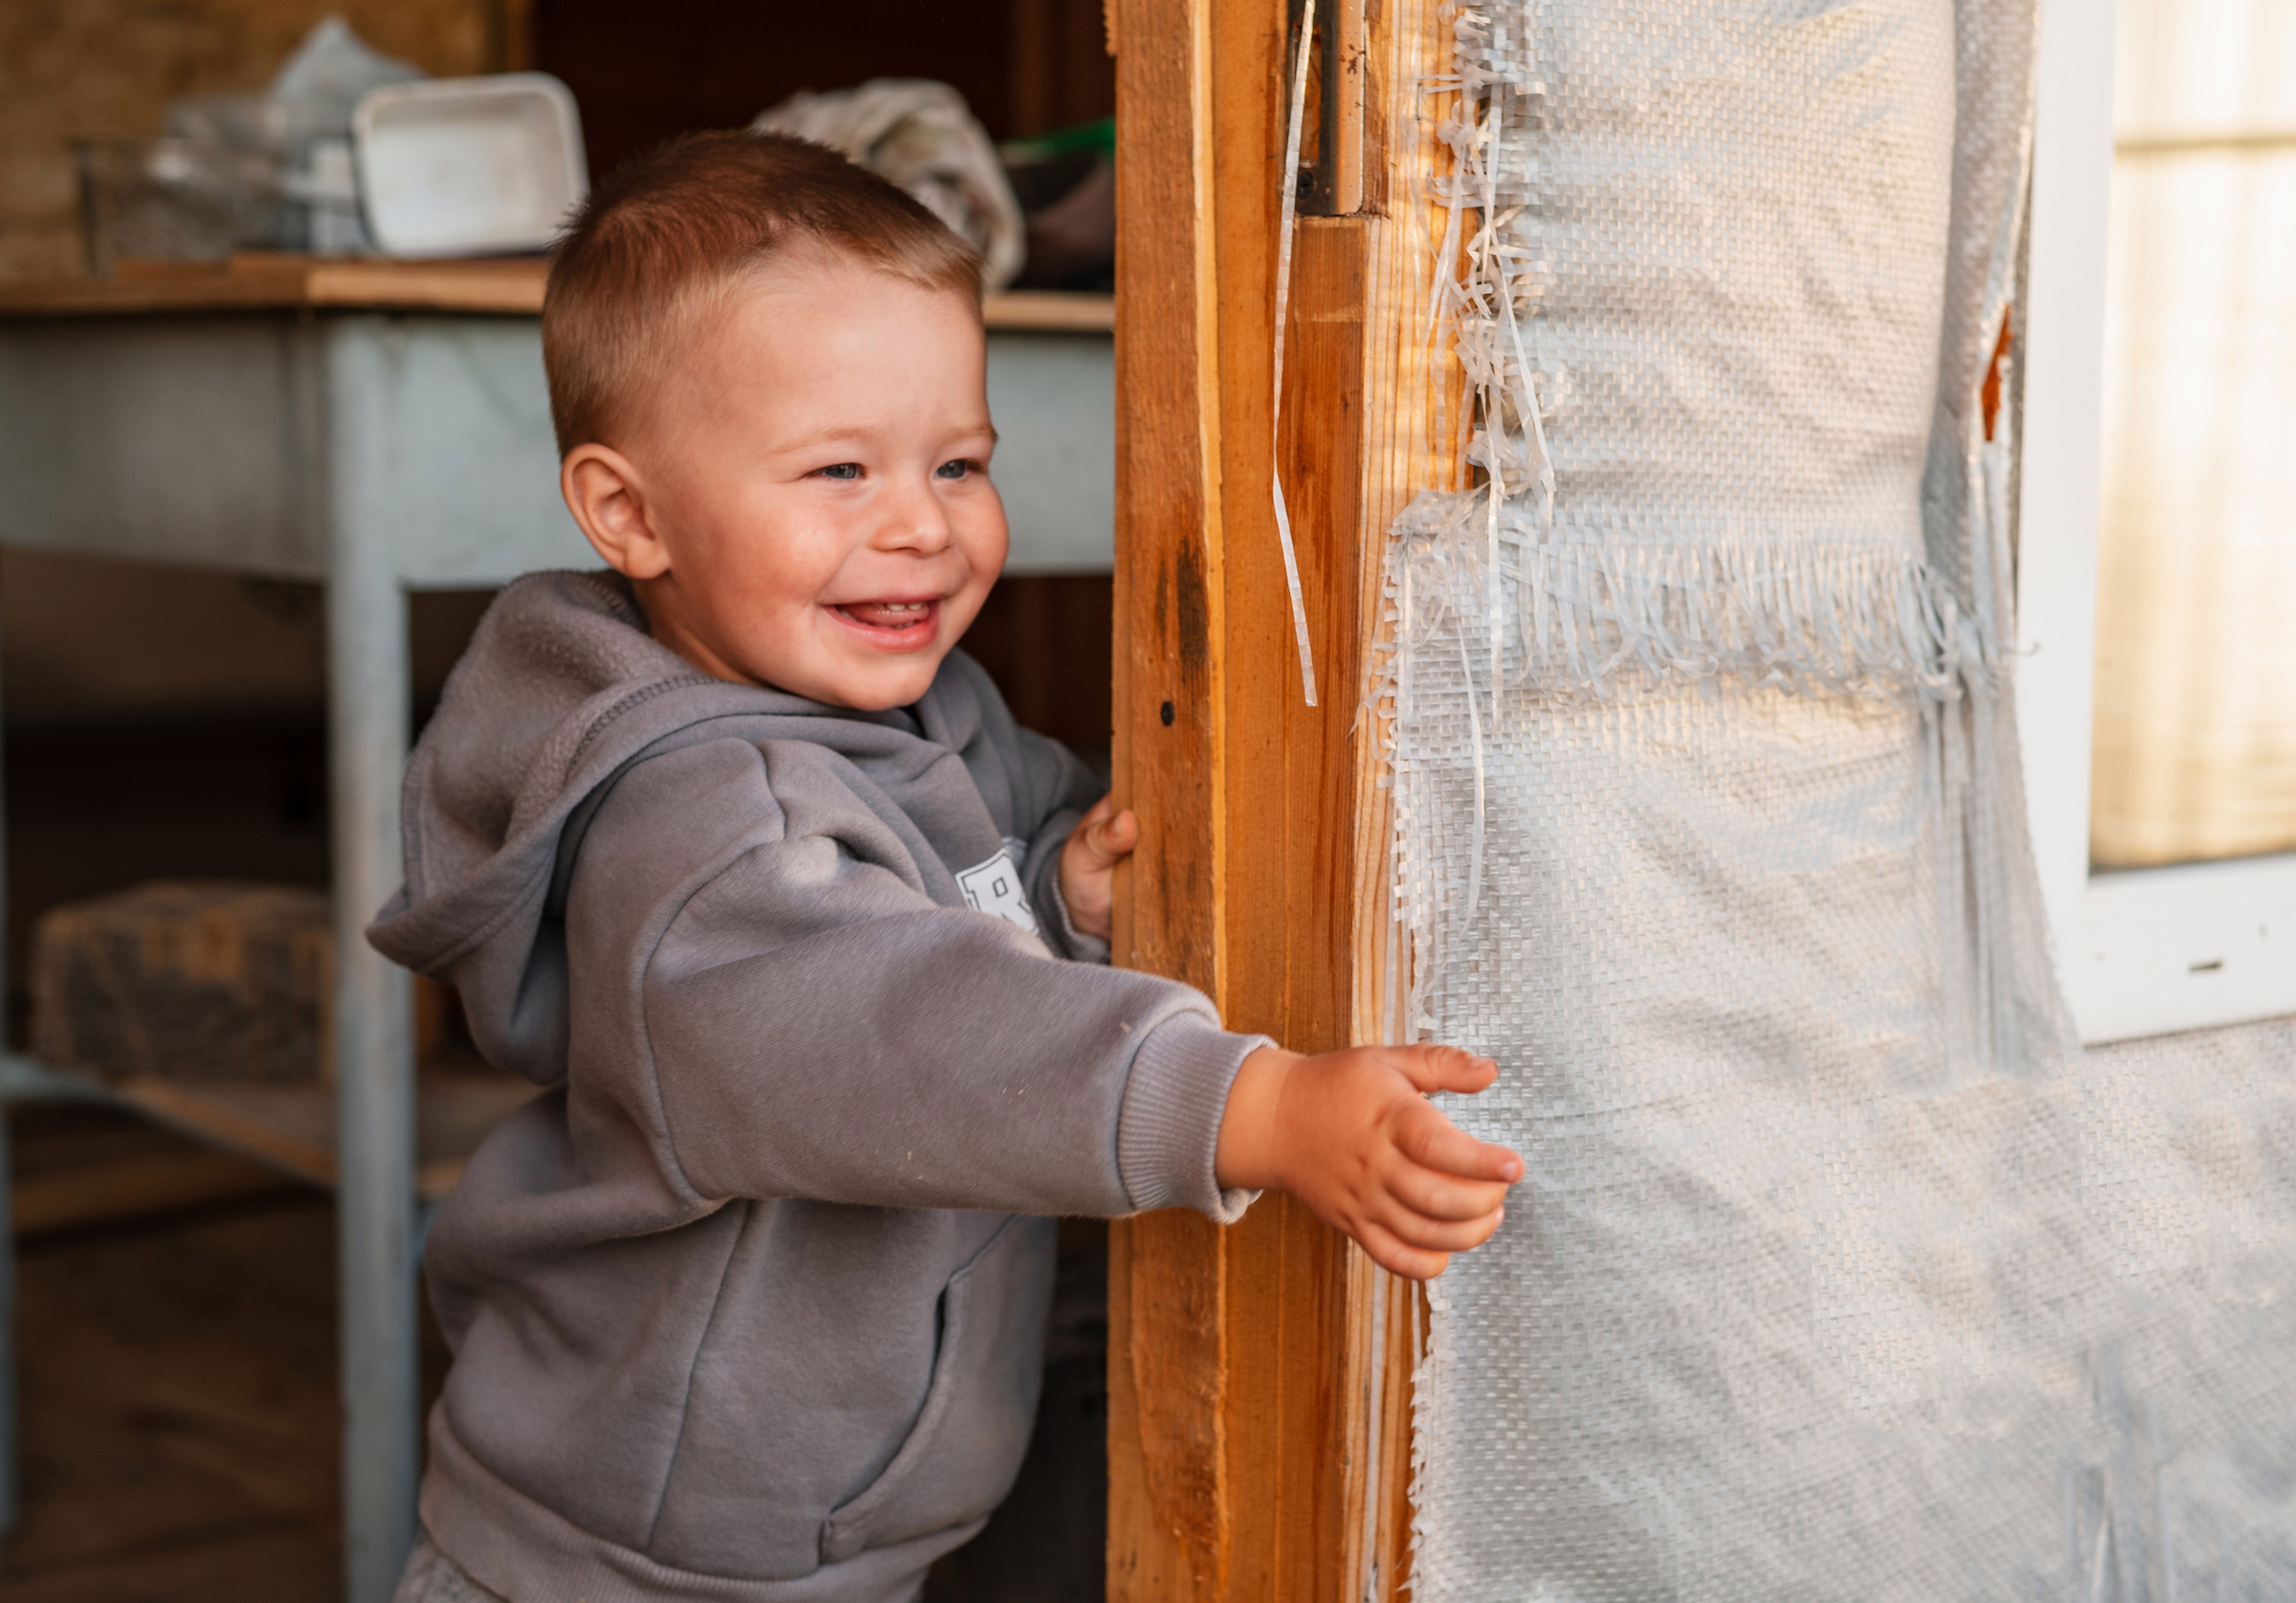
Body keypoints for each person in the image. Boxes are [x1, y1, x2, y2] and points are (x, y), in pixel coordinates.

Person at [371, 130, 1521, 1603]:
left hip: (825, 1532)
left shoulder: (922, 716)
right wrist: (1253, 1102)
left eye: (958, 463)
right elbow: (911, 1030)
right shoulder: (696, 832)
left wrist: (1059, 894)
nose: (919, 523)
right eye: (839, 469)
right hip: (632, 1562)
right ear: (631, 515)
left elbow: (943, 904)